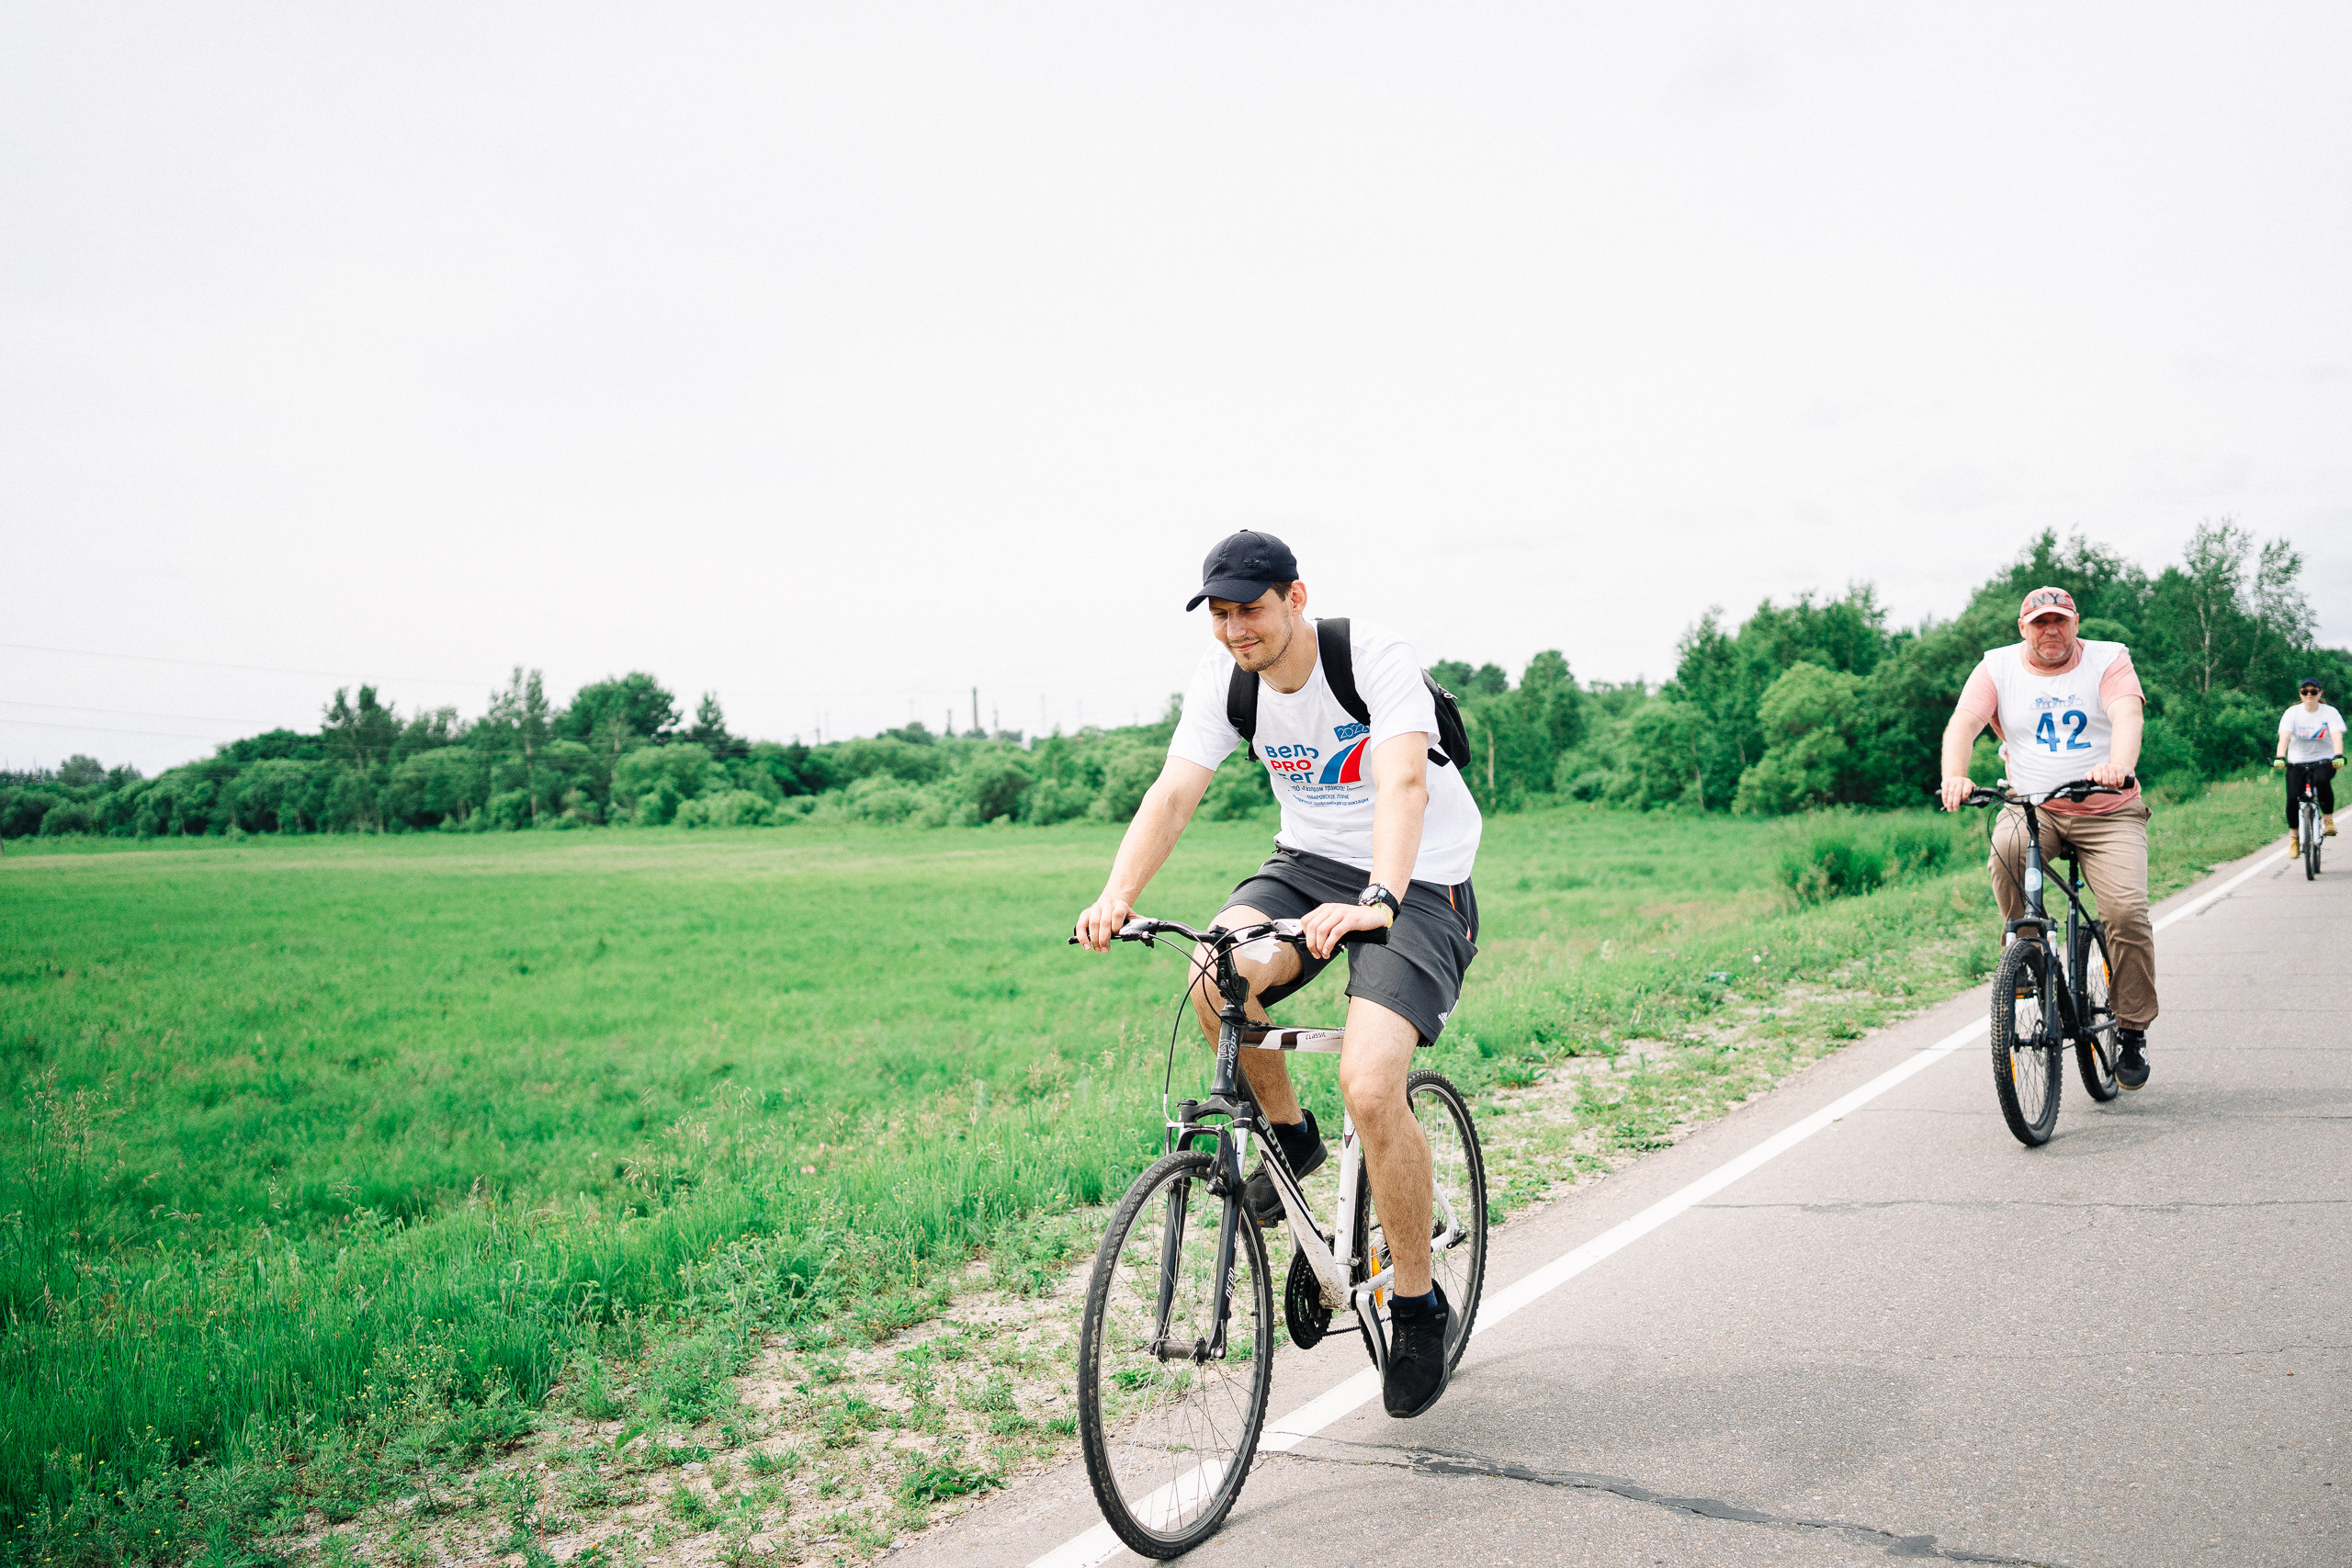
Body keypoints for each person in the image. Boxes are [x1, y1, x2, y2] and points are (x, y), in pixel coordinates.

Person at [1073, 529, 1482, 1419]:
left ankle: (1415, 1302)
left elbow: (1404, 784)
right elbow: (1174, 792)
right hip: (1305, 866)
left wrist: (1379, 895)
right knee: (1212, 974)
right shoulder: (1224, 681)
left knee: (1372, 1089)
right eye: (1219, 615)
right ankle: (1292, 1139)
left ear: (1295, 599)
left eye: (1249, 611)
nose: (1234, 631)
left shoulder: (1370, 658)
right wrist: (1116, 893)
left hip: (1416, 878)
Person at [1938, 586, 2156, 1089]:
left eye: (2059, 621)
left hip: (2108, 809)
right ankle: (2028, 955)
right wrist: (1956, 774)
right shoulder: (1996, 667)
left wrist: (2119, 767)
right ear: (2023, 628)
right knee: (2008, 850)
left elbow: (2128, 714)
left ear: (2076, 623)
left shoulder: (2108, 659)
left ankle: (2131, 1028)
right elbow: (1963, 725)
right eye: (2040, 623)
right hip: (2033, 806)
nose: (2050, 631)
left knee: (2124, 913)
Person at [2272, 677, 2346, 855]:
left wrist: (2338, 756)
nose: (2309, 695)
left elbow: (2337, 735)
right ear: (2301, 694)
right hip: (2297, 761)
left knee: (2321, 780)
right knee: (2292, 798)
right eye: (2305, 692)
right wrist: (2280, 757)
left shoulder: (2330, 712)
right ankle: (2294, 839)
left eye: (2313, 692)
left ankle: (2328, 820)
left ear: (2320, 693)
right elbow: (2285, 737)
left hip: (2324, 760)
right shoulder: (2292, 713)